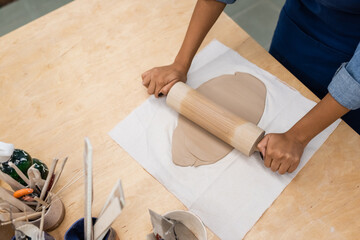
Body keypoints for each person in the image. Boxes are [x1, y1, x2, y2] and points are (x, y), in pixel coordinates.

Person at [141, 0, 360, 174]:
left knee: (335, 147)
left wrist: (298, 137)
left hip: (350, 53)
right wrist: (180, 63)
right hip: (297, 26)